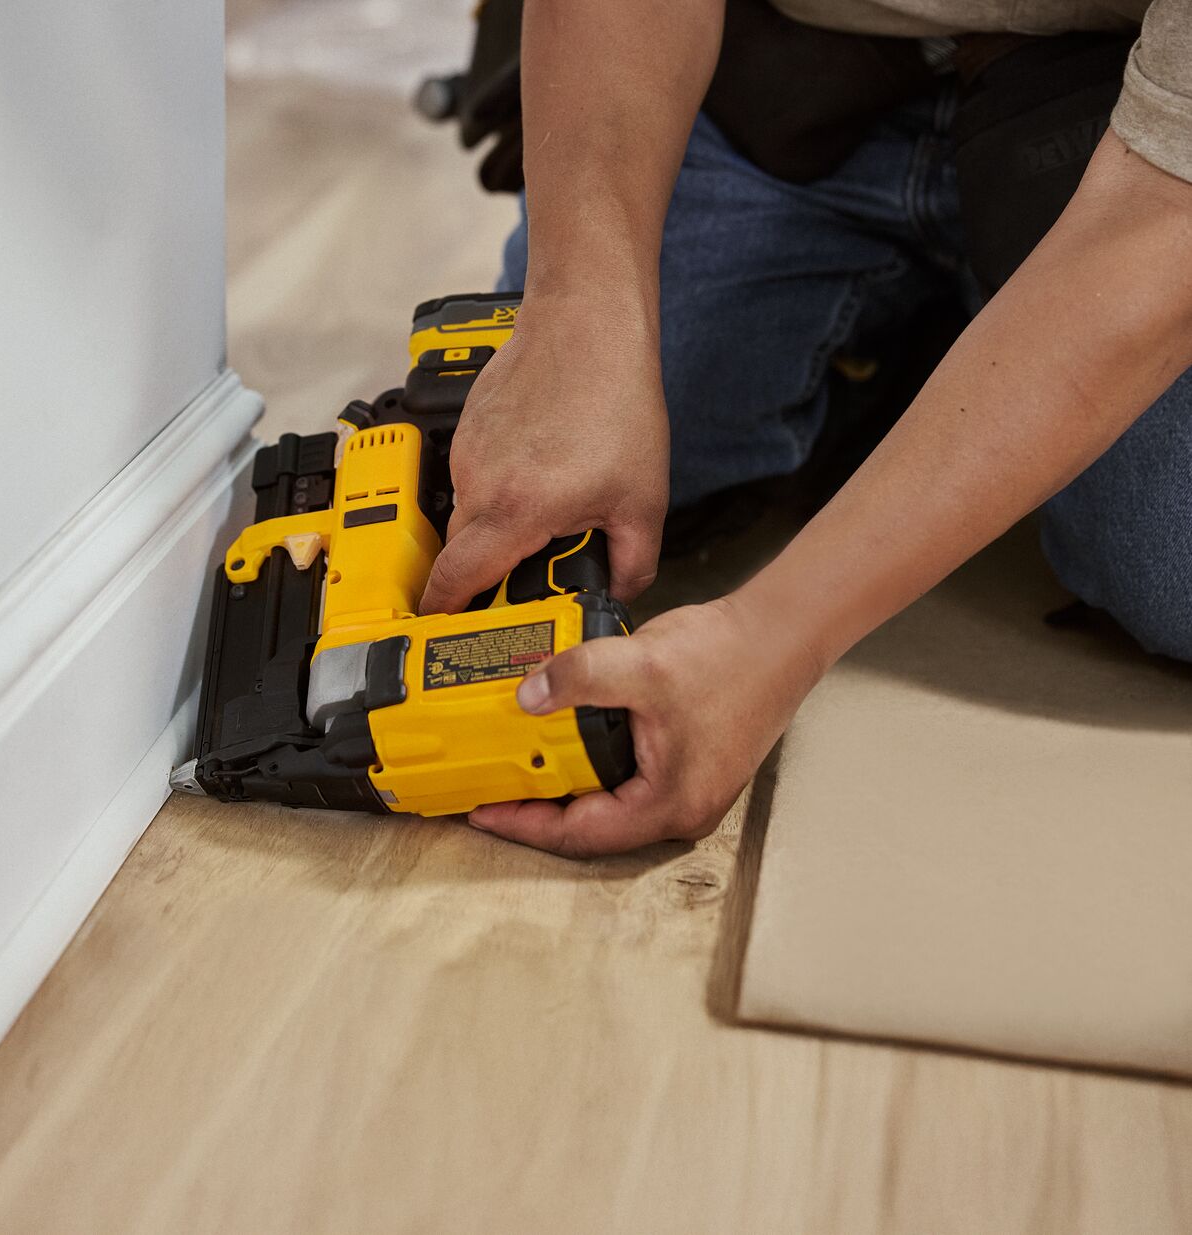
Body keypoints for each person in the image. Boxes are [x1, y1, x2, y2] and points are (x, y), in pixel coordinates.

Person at [416, 0, 1192, 857]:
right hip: (785, 60)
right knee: (538, 462)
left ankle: (950, 369)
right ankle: (915, 372)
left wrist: (766, 641)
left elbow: (1163, 220)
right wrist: (578, 310)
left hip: (1128, 127)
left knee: (1178, 555)